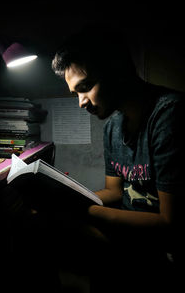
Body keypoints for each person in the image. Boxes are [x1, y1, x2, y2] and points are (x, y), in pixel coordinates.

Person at [51, 27, 185, 290]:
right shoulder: (114, 125)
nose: (81, 102)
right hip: (131, 237)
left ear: (116, 69)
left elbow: (170, 223)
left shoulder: (169, 115)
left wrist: (86, 211)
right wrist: (73, 197)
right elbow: (115, 191)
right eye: (75, 93)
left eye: (85, 87)